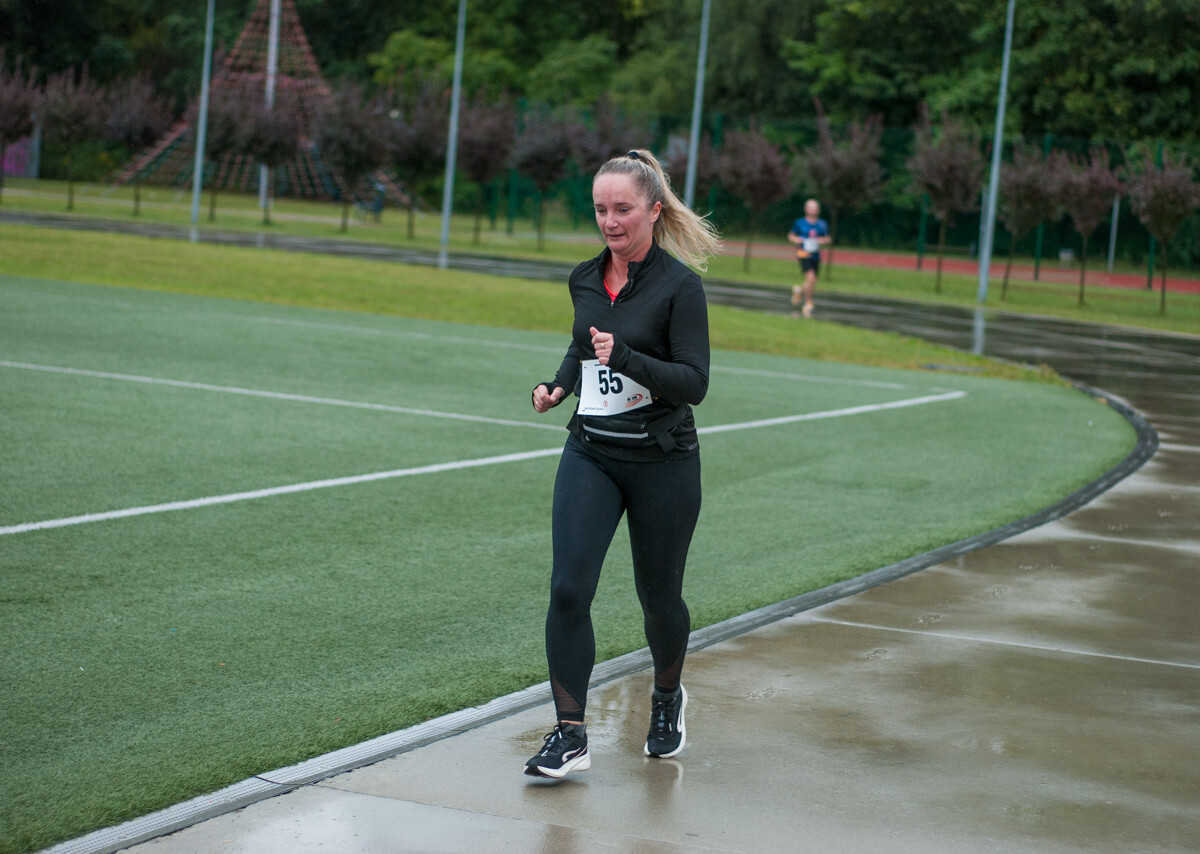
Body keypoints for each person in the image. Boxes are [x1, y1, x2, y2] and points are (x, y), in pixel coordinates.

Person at [525, 149, 722, 779]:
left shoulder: (680, 288)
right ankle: (570, 732)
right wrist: (558, 386)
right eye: (601, 210)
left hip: (663, 461)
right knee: (567, 588)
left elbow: (693, 383)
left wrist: (628, 359)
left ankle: (666, 697)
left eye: (623, 209)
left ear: (653, 211)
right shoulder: (586, 278)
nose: (610, 221)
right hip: (592, 452)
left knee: (659, 599)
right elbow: (583, 344)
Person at [787, 198, 831, 318]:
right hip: (803, 253)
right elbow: (790, 236)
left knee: (812, 281)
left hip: (815, 255)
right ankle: (808, 303)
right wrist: (798, 240)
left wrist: (821, 241)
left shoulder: (822, 224)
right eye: (811, 207)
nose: (813, 210)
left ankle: (799, 291)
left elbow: (827, 239)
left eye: (815, 208)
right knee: (811, 278)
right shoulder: (800, 223)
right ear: (806, 209)